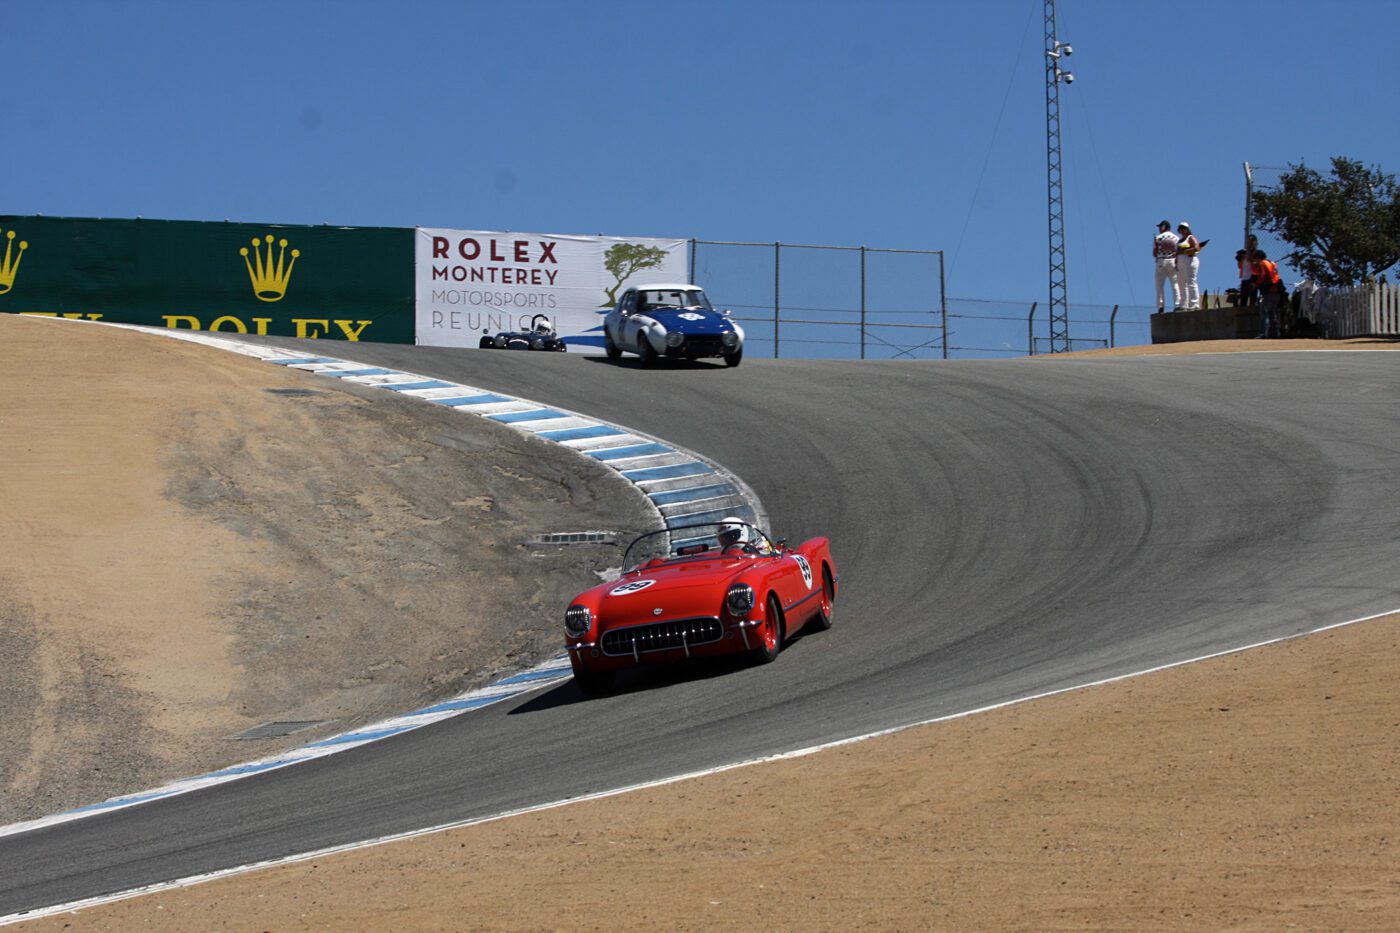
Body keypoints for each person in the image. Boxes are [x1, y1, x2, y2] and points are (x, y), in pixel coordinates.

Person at [1254, 250, 1285, 338]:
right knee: (1273, 314)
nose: (1255, 262)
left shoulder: (1262, 264)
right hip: (1277, 291)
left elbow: (1262, 276)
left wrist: (1256, 284)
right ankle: (1275, 333)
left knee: (1265, 313)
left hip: (1268, 291)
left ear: (1258, 258)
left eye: (1255, 259)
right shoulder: (1272, 263)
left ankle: (1263, 333)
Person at [1153, 220, 1180, 312]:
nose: (1159, 229)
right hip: (1173, 261)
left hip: (1161, 261)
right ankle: (1177, 304)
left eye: (1160, 227)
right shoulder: (1176, 238)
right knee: (1175, 284)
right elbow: (1178, 251)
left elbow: (1154, 253)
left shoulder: (1158, 237)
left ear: (1164, 227)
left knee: (1159, 285)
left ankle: (1161, 306)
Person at [1175, 222, 1202, 310]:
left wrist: (1186, 251)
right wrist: (1176, 262)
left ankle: (1194, 303)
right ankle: (1183, 304)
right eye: (1180, 228)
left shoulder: (1190, 238)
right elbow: (1177, 252)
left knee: (1191, 281)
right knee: (1181, 283)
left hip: (1189, 260)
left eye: (1184, 228)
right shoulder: (1180, 240)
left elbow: (1197, 247)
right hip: (1180, 262)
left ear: (1187, 229)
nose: (1182, 230)